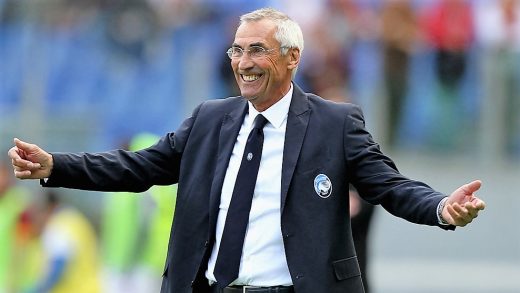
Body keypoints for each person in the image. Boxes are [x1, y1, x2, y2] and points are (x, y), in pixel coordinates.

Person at [8, 7, 485, 293]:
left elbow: (390, 186)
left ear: (292, 58)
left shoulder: (336, 124)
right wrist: (55, 166)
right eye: (237, 51)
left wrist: (442, 208)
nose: (244, 62)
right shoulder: (209, 119)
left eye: (257, 50)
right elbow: (138, 167)